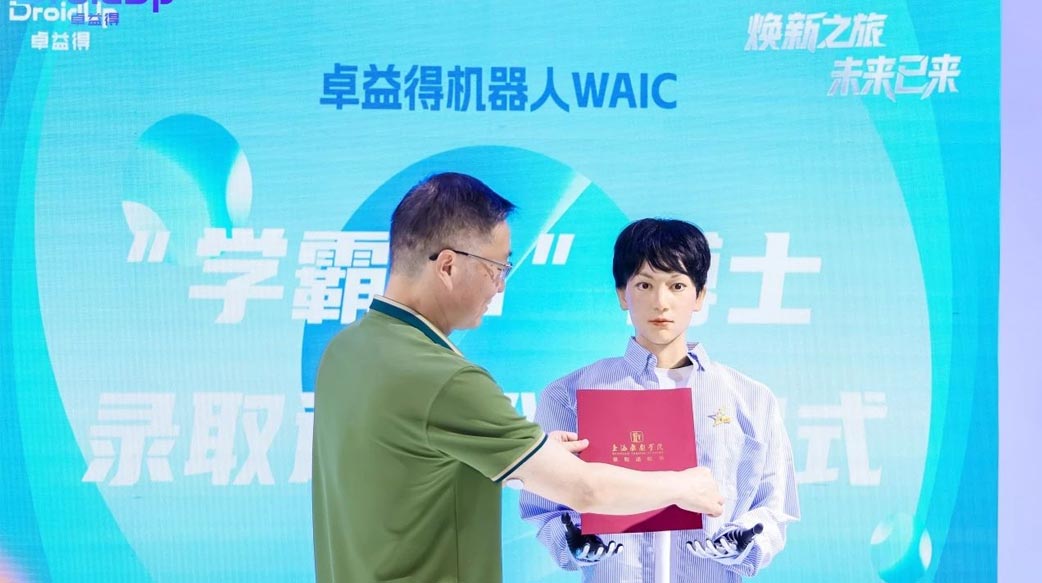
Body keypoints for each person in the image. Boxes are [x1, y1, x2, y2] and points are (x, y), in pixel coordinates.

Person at [312, 174, 726, 583]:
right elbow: (585, 491)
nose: (499, 287)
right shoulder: (446, 379)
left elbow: (416, 464)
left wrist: (536, 453)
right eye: (497, 268)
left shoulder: (345, 350)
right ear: (449, 266)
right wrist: (683, 486)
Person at [520, 218, 801, 582]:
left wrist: (743, 540)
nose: (660, 302)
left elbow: (773, 506)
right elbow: (544, 504)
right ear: (622, 294)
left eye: (677, 285)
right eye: (644, 284)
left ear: (700, 296)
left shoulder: (750, 398)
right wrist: (574, 538)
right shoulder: (569, 395)